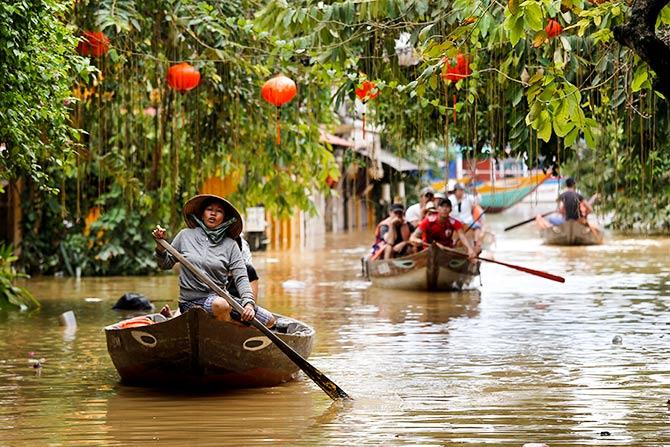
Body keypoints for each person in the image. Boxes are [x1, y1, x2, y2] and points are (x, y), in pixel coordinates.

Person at [151, 194, 275, 328]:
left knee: (269, 320)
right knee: (220, 305)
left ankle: (229, 324)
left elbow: (241, 277)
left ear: (225, 218)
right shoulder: (185, 235)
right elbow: (164, 264)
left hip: (223, 298)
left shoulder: (230, 245)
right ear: (202, 213)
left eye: (219, 211)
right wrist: (160, 246)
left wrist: (248, 304)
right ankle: (234, 328)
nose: (213, 214)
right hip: (192, 302)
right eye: (209, 209)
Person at [410, 198, 476, 259]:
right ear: (438, 209)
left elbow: (462, 236)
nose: (444, 209)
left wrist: (470, 249)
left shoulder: (454, 222)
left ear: (450, 210)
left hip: (447, 251)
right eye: (442, 206)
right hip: (428, 251)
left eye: (447, 206)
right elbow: (412, 237)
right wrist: (416, 240)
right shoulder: (428, 221)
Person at [448, 182, 484, 248]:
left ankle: (476, 242)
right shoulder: (450, 199)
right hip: (454, 221)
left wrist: (475, 192)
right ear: (455, 191)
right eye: (459, 190)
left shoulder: (468, 197)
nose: (461, 192)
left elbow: (478, 200)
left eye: (462, 190)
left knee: (477, 226)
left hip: (468, 221)